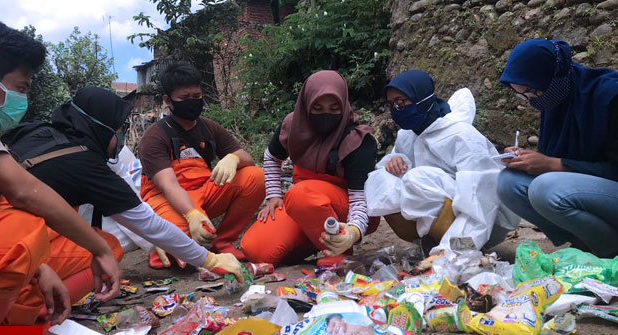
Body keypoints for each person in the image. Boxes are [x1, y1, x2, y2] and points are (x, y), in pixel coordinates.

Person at [0, 86, 244, 309]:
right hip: (9, 247)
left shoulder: (39, 132)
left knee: (86, 238)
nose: (122, 135)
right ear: (101, 127)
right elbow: (147, 223)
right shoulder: (82, 162)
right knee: (106, 247)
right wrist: (210, 260)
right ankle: (30, 307)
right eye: (119, 127)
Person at [0, 19, 120, 335]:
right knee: (27, 231)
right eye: (20, 88)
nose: (22, 101)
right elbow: (23, 191)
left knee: (35, 245)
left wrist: (40, 267)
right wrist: (99, 249)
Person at [368, 70, 519, 257]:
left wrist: (458, 249)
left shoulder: (462, 136)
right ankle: (433, 240)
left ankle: (460, 247)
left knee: (416, 179)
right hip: (444, 211)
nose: (395, 109)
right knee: (380, 179)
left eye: (401, 102)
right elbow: (393, 170)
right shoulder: (408, 135)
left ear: (421, 99)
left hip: (486, 220)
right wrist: (395, 162)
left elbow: (480, 197)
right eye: (391, 104)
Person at [240, 70, 379, 265]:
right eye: (317, 108)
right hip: (302, 207)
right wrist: (274, 195)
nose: (325, 115)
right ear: (306, 104)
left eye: (334, 108)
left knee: (301, 194)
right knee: (255, 249)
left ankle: (338, 253)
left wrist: (353, 231)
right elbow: (271, 157)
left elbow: (360, 200)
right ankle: (317, 238)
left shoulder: (357, 140)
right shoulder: (293, 125)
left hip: (346, 209)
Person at [496, 39, 618, 258]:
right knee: (508, 183)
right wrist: (531, 159)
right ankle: (585, 243)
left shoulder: (609, 97)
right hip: (593, 192)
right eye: (521, 95)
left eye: (532, 93)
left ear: (552, 77)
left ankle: (608, 250)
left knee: (545, 188)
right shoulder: (556, 98)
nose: (529, 101)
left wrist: (552, 164)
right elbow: (561, 159)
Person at [138, 62, 264, 265]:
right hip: (167, 198)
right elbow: (168, 185)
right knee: (181, 251)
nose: (192, 102)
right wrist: (191, 214)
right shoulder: (154, 136)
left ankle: (223, 241)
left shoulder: (209, 128)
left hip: (205, 190)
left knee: (254, 176)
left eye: (196, 96)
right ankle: (165, 243)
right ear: (167, 100)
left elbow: (247, 157)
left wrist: (234, 158)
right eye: (184, 98)